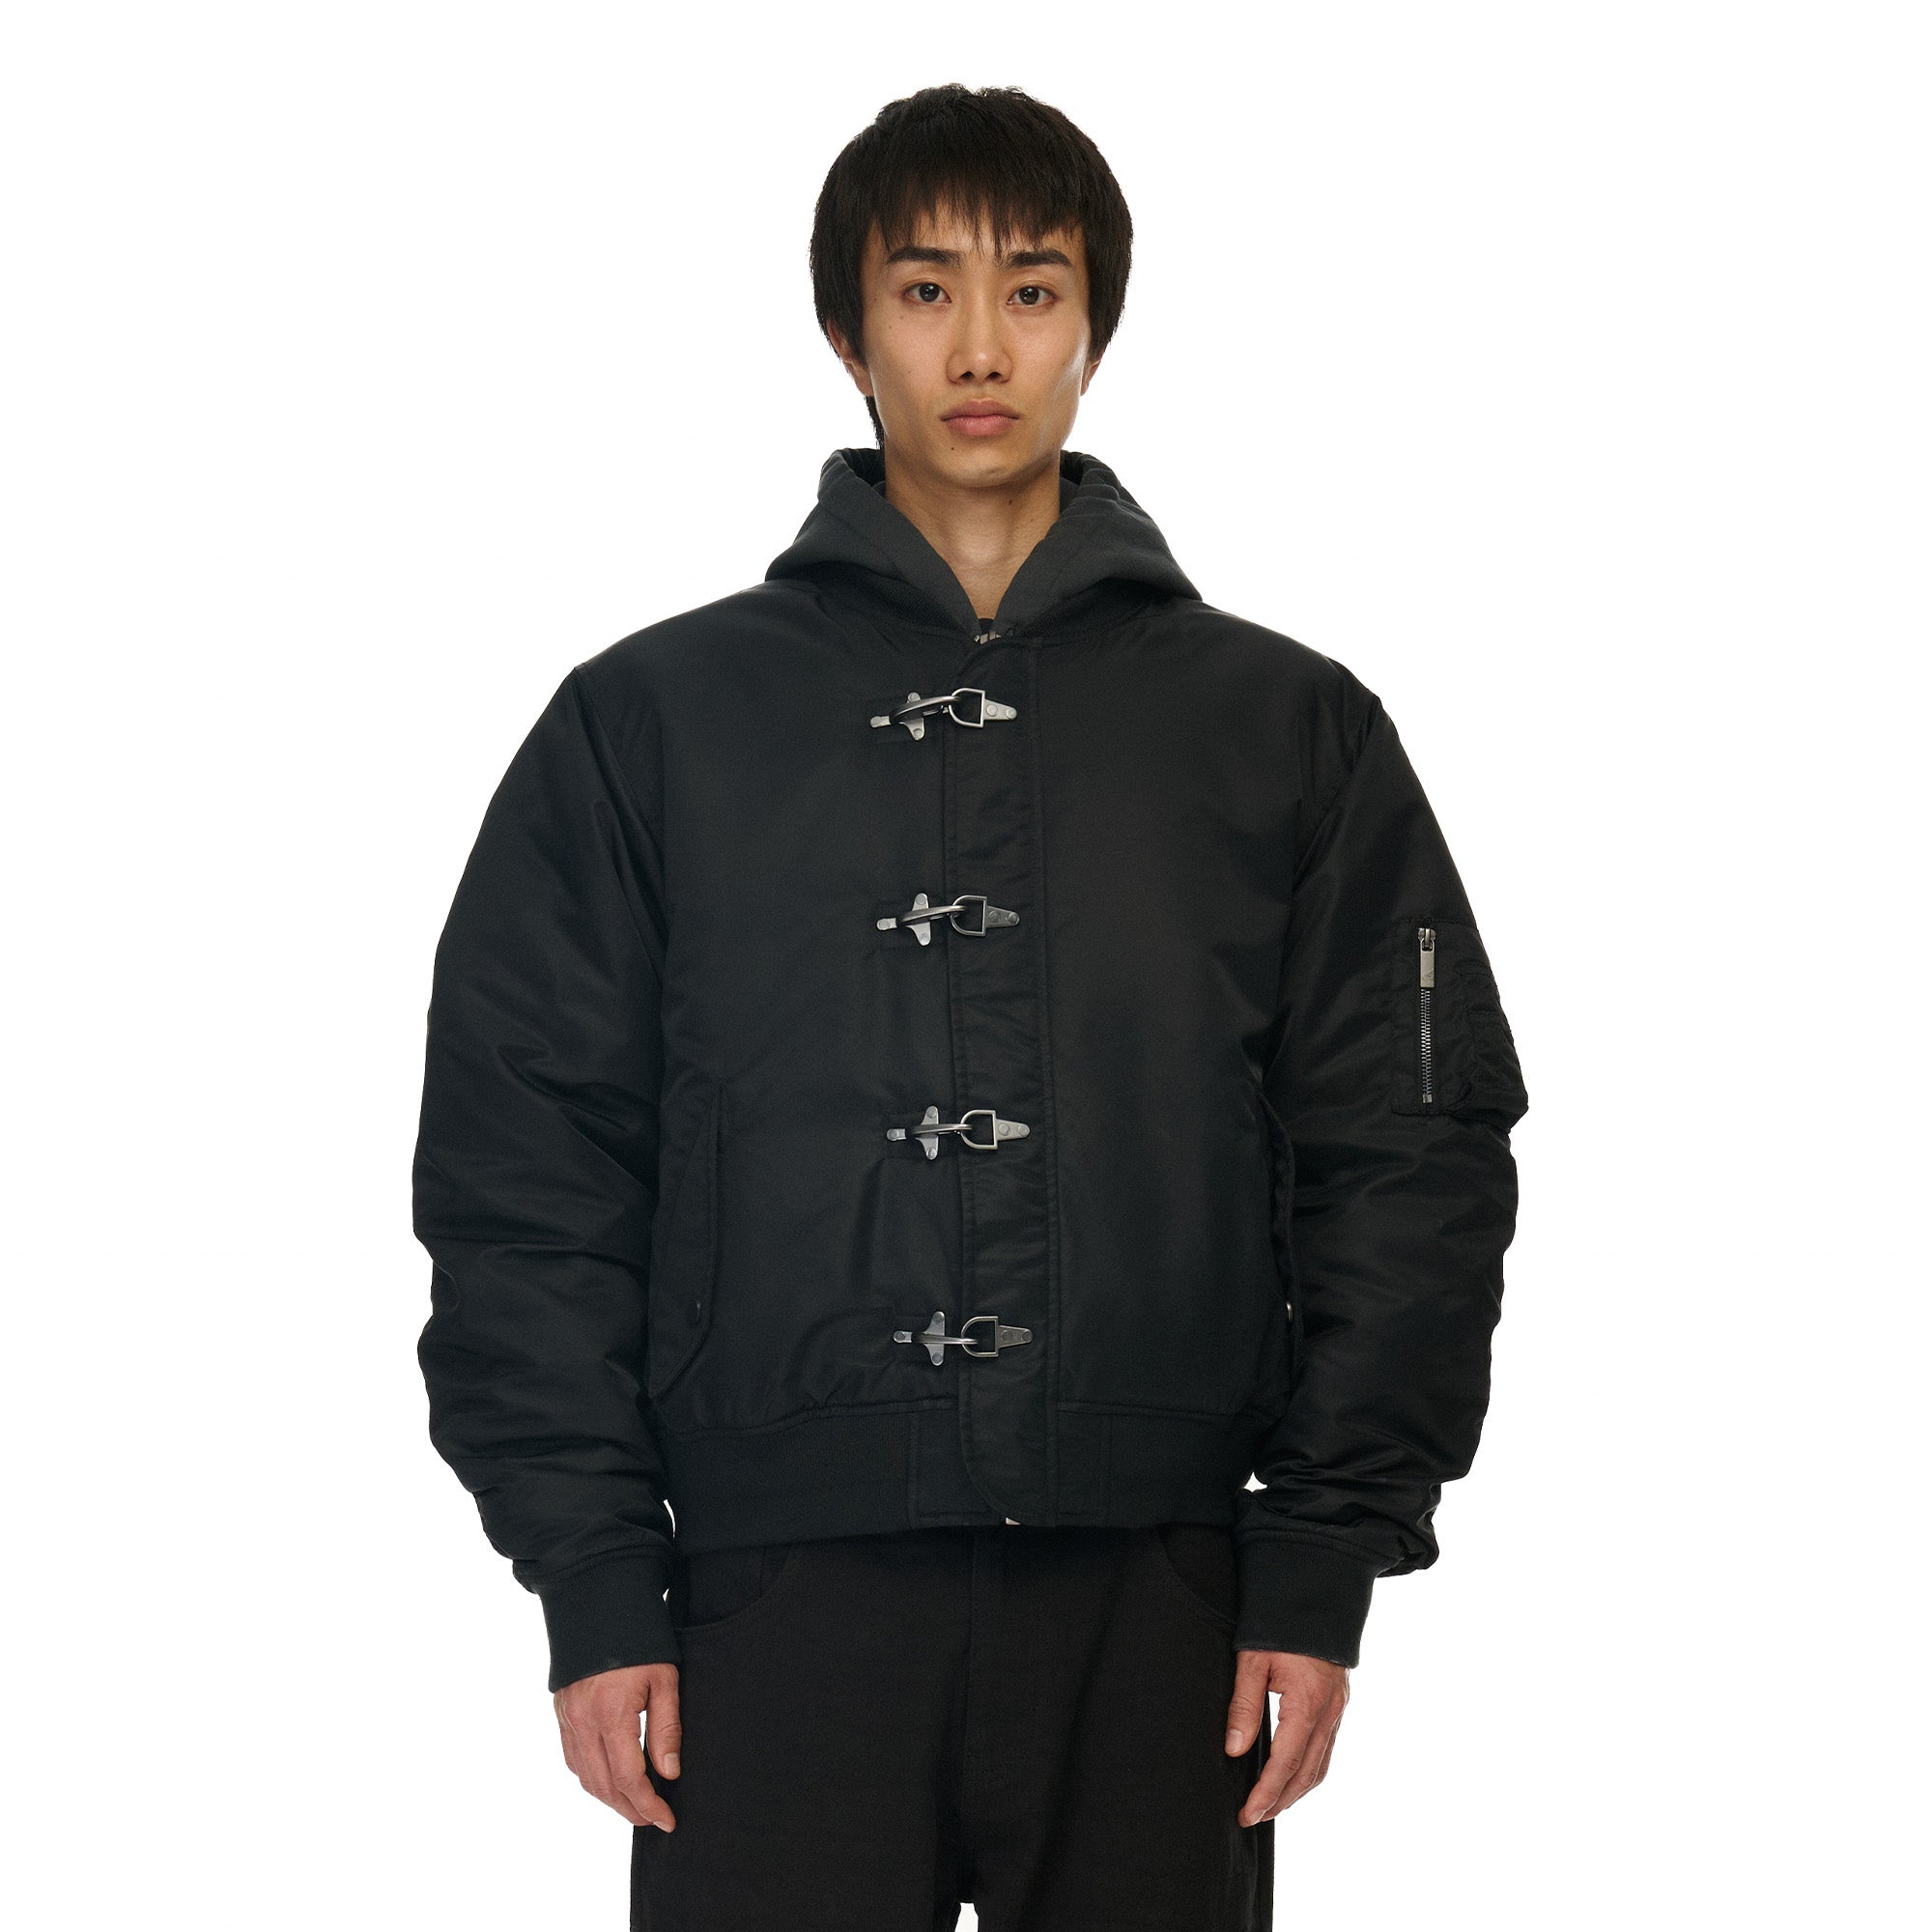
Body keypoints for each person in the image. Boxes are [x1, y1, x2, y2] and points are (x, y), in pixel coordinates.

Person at [413, 82, 1527, 1932]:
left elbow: (1409, 1158)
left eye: (1035, 287)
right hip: (766, 1597)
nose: (983, 346)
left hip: (1163, 1599)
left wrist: (1323, 1546)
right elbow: (526, 1162)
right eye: (926, 290)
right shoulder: (650, 724)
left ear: (1097, 323)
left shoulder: (1285, 728)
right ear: (845, 330)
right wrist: (593, 1572)